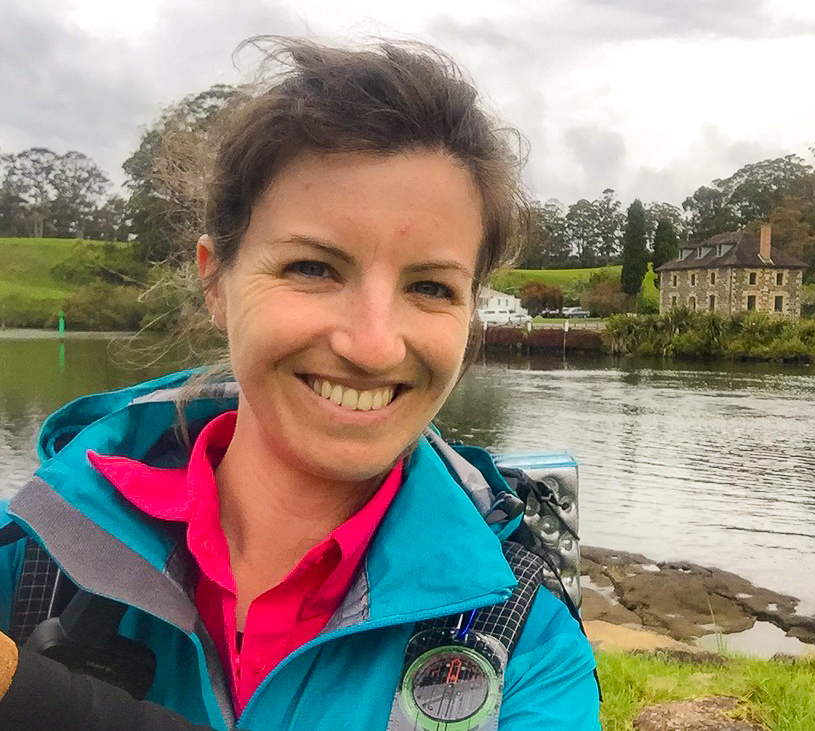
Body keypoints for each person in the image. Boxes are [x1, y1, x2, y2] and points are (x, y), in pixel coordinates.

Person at [0, 37, 600, 730]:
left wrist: (31, 695)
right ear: (214, 280)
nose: (373, 345)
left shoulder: (524, 640)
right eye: (314, 268)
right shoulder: (35, 556)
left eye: (431, 286)